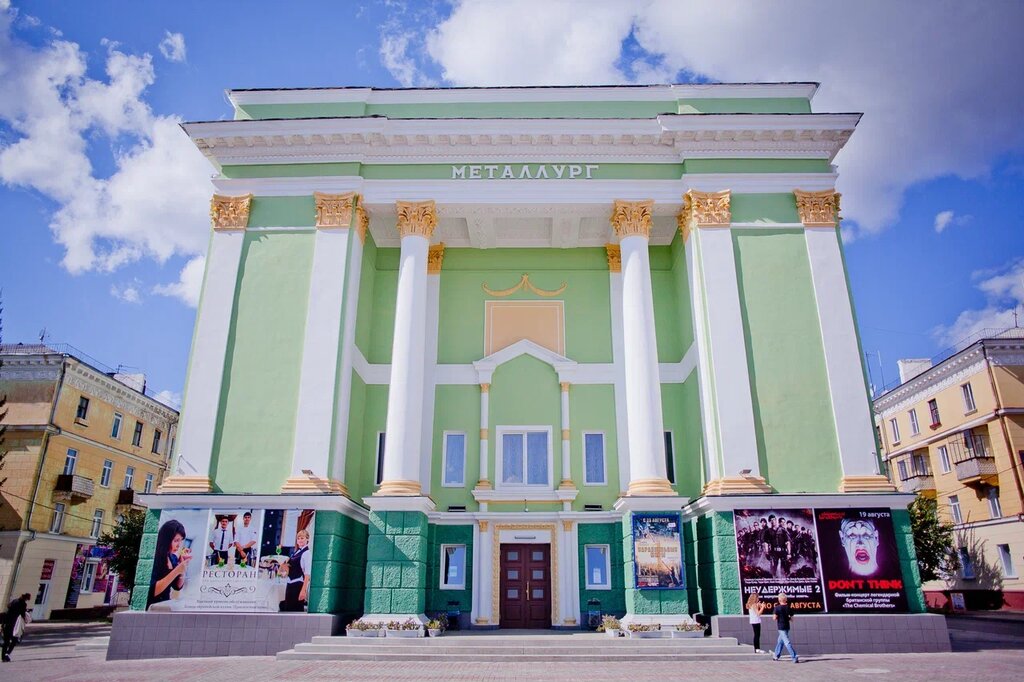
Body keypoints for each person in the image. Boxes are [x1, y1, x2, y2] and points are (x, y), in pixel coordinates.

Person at [148, 519, 192, 609]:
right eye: (176, 540)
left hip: (164, 606)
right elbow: (152, 591)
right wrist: (176, 571)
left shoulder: (173, 558)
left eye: (180, 541)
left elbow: (177, 586)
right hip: (150, 607)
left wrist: (183, 566)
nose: (179, 545)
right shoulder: (153, 558)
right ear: (166, 540)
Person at [279, 529, 312, 612]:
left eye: (302, 538)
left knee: (295, 610)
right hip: (290, 584)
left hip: (298, 585)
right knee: (288, 609)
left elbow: (307, 574)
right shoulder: (296, 552)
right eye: (298, 538)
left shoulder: (307, 553)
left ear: (307, 539)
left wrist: (303, 591)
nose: (300, 540)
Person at [2, 593, 32, 662]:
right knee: (14, 640)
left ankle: (3, 657)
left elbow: (8, 608)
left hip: (7, 622)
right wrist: (26, 619)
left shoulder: (14, 601)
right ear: (27, 598)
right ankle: (7, 654)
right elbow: (23, 614)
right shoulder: (23, 604)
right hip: (15, 624)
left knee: (6, 641)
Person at [772, 593, 799, 663]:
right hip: (787, 626)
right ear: (786, 599)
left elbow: (774, 618)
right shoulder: (788, 607)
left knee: (787, 642)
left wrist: (778, 616)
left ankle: (794, 657)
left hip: (781, 627)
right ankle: (776, 655)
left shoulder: (777, 608)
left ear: (779, 600)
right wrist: (787, 617)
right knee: (780, 641)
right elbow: (792, 619)